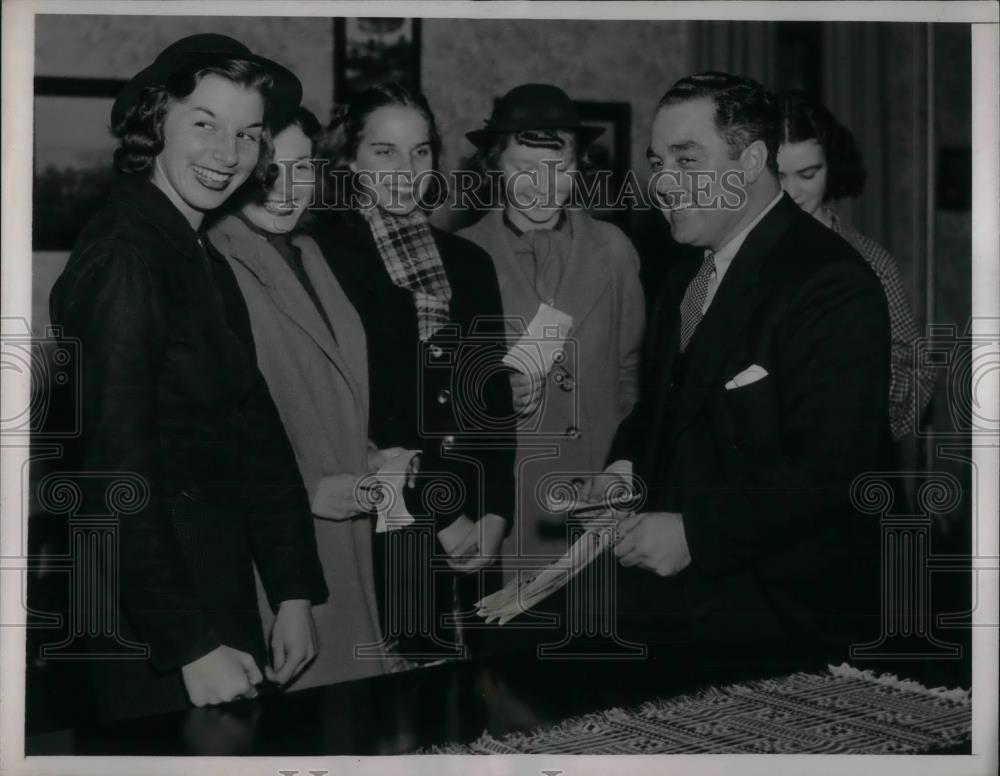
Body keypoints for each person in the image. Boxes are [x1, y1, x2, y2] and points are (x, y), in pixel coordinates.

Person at [48, 34, 327, 722]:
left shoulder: (196, 250)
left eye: (248, 133)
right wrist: (190, 644)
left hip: (207, 588)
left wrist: (293, 593)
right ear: (156, 122)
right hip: (146, 623)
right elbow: (109, 478)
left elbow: (256, 433)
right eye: (204, 123)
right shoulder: (125, 257)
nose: (228, 154)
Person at [586, 72, 892, 660]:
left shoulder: (831, 281)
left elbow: (832, 470)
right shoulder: (685, 270)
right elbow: (665, 407)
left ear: (750, 162)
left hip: (788, 624)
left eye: (686, 160)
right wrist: (625, 465)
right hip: (684, 614)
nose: (664, 183)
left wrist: (694, 534)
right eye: (658, 161)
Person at [310, 82, 515, 660]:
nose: (407, 169)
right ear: (349, 161)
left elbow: (491, 399)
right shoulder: (319, 256)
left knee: (477, 715)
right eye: (385, 152)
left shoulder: (469, 263)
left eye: (420, 151)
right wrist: (441, 513)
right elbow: (349, 414)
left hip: (474, 523)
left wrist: (496, 510)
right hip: (384, 522)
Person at [208, 107, 404, 687]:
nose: (286, 190)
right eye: (270, 171)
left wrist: (367, 452)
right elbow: (208, 429)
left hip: (348, 526)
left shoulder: (311, 253)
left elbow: (325, 386)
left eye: (302, 169)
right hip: (275, 540)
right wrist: (307, 486)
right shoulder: (212, 260)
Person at [458, 84, 644, 568]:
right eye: (523, 169)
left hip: (600, 507)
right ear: (494, 166)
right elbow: (445, 399)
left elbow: (631, 374)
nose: (542, 186)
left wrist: (625, 479)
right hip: (511, 510)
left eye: (558, 169)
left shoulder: (615, 250)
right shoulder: (460, 257)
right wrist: (492, 393)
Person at [776, 90, 934, 440]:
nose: (792, 193)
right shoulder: (726, 255)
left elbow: (919, 373)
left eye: (807, 174)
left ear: (831, 167)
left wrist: (866, 373)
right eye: (778, 176)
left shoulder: (870, 261)